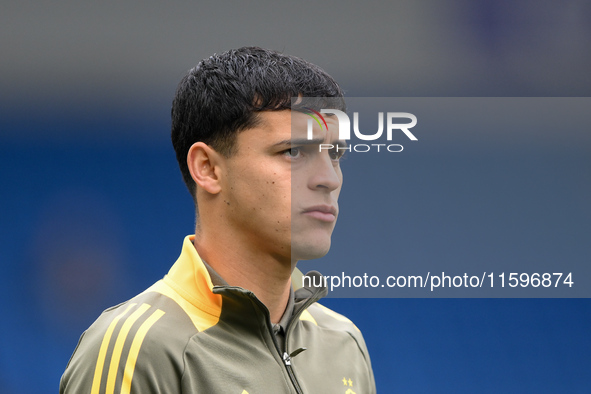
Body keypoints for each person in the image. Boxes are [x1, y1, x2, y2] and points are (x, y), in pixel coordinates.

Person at [60, 47, 376, 394]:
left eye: (336, 154)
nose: (328, 178)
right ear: (208, 168)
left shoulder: (344, 343)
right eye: (293, 151)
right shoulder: (136, 348)